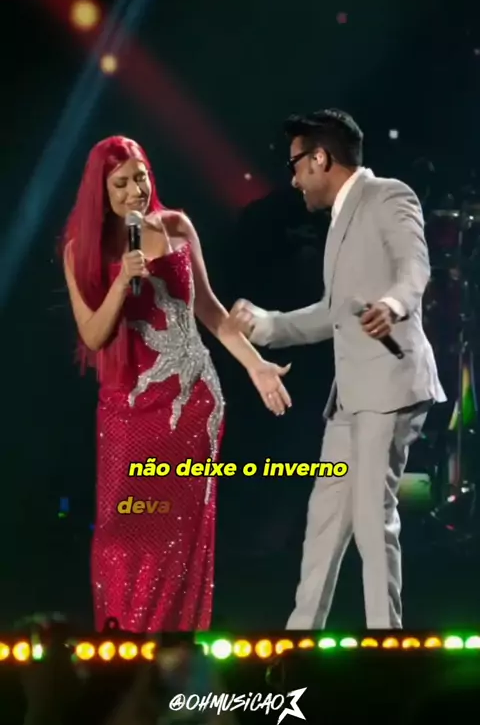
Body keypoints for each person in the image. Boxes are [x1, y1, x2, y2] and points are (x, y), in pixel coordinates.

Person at [62, 135, 291, 633]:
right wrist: (121, 281)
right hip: (127, 410)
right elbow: (94, 335)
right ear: (100, 191)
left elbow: (210, 310)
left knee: (178, 539)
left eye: (140, 177)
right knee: (120, 536)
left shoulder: (176, 227)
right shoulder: (81, 250)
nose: (135, 191)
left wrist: (255, 366)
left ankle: (172, 651)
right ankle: (124, 650)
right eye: (121, 184)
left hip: (191, 403)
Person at [228, 109, 446, 629]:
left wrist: (392, 304)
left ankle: (386, 642)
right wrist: (267, 324)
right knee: (324, 522)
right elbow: (334, 312)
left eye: (296, 165)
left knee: (372, 519)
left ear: (321, 159)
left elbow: (415, 268)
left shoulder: (389, 196)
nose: (293, 179)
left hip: (390, 385)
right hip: (350, 396)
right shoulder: (339, 219)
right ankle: (301, 636)